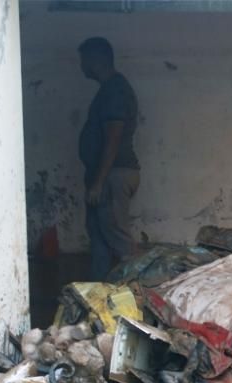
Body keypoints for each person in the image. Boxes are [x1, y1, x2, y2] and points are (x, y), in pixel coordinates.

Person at [77, 37, 140, 280]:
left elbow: (113, 138)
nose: (81, 66)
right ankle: (98, 293)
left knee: (120, 240)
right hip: (108, 175)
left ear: (95, 59)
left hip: (113, 175)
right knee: (100, 236)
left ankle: (141, 298)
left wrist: (99, 182)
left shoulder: (114, 91)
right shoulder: (109, 90)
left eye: (83, 60)